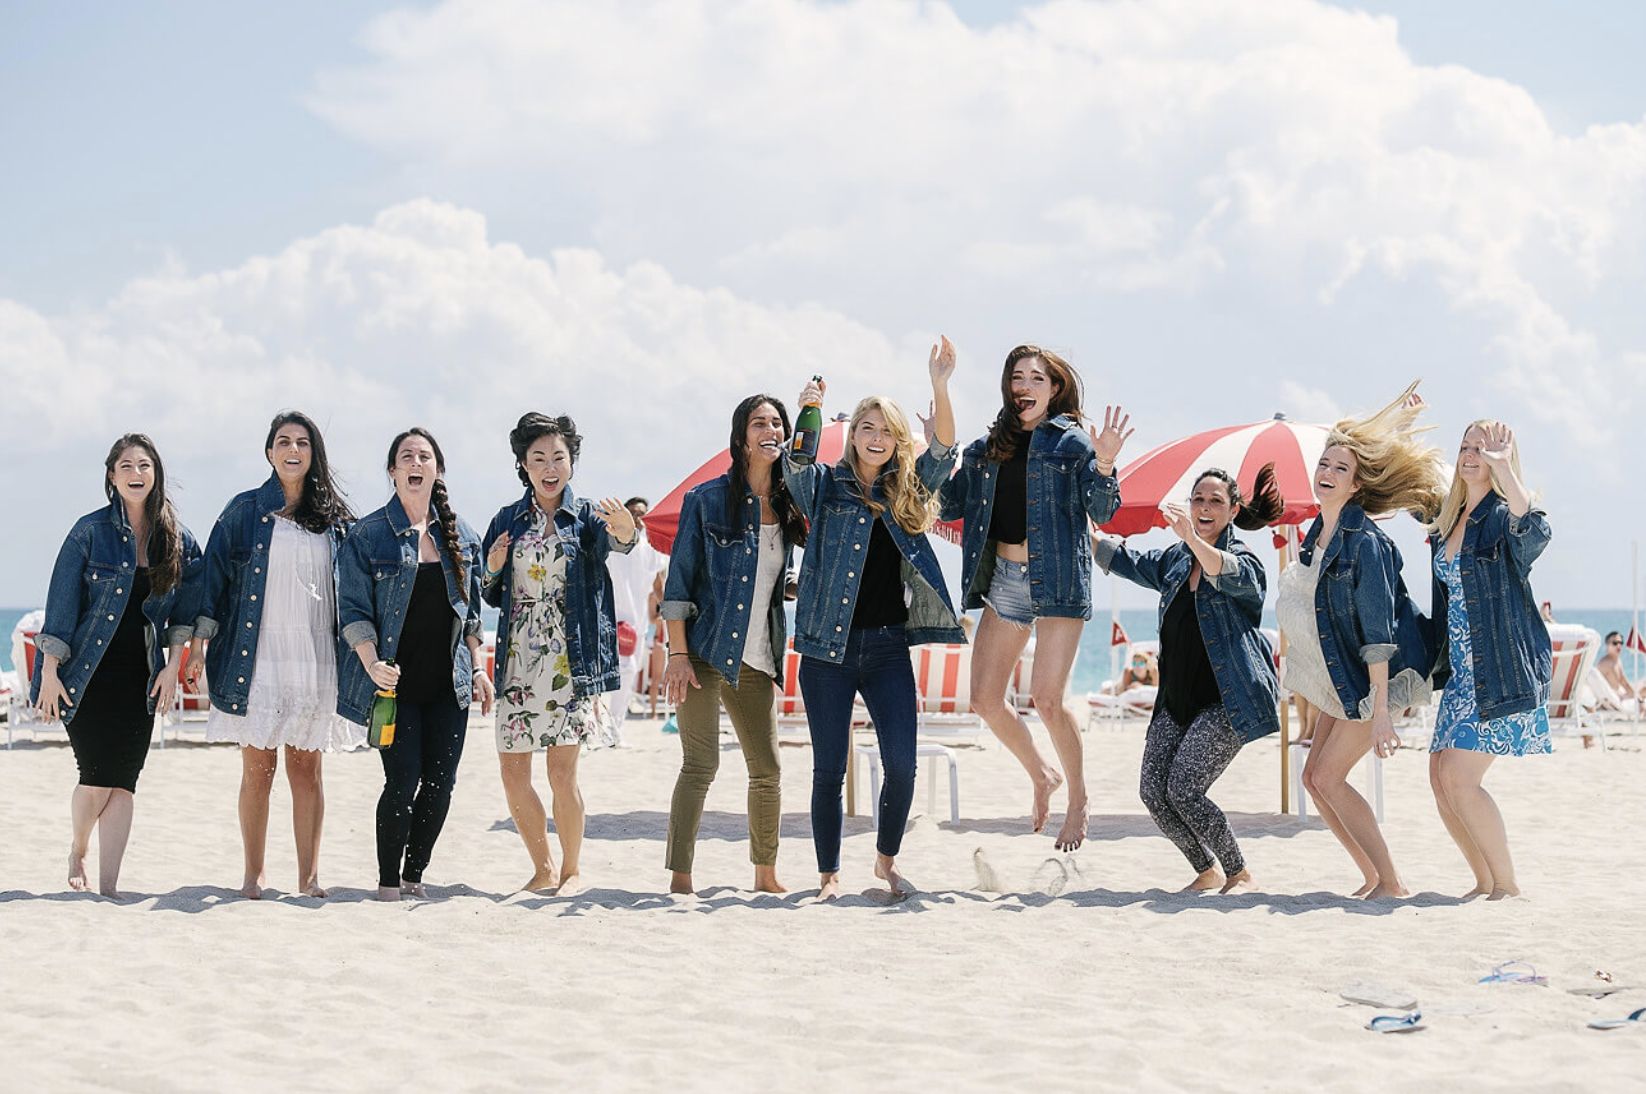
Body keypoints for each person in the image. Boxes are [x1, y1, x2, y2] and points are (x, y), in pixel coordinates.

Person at [784, 340, 961, 900]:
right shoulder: (824, 487)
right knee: (828, 770)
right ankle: (829, 876)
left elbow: (944, 450)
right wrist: (808, 411)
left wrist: (940, 384)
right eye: (867, 427)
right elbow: (796, 464)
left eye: (886, 430)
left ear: (897, 439)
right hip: (825, 651)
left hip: (887, 649)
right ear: (854, 435)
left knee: (902, 766)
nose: (877, 438)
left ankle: (886, 861)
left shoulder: (906, 491)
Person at [938, 343, 1131, 850]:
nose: (1024, 386)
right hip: (1004, 578)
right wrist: (936, 446)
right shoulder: (986, 448)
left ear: (1055, 389)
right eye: (1017, 378)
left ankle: (1079, 798)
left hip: (1059, 580)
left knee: (1047, 699)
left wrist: (1105, 462)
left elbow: (1102, 510)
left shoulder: (1072, 444)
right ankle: (1042, 774)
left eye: (1036, 378)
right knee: (983, 699)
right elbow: (945, 503)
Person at [1281, 383, 1445, 900]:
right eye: (1324, 464)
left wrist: (1379, 713)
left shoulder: (1367, 543)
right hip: (1345, 674)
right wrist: (1397, 428)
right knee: (1313, 778)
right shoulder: (1319, 533)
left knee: (1329, 778)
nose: (1327, 473)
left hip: (1377, 678)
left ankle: (1391, 881)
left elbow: (1378, 637)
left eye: (1341, 469)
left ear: (1356, 486)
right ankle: (1373, 878)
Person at [189, 411, 360, 899]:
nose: (293, 450)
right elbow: (212, 581)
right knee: (257, 770)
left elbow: (357, 590)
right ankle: (254, 874)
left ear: (314, 453)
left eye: (302, 443)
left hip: (314, 655)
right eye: (283, 442)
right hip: (258, 655)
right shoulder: (243, 512)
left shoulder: (336, 519)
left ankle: (308, 876)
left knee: (307, 771)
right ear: (269, 453)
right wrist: (199, 645)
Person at [1096, 465, 1285, 894]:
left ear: (1233, 510)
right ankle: (1206, 869)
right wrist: (1083, 530)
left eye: (1216, 501)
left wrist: (1193, 540)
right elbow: (1127, 560)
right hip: (1176, 699)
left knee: (1184, 787)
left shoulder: (1246, 563)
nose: (1204, 507)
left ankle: (1239, 872)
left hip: (1228, 701)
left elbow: (1224, 569)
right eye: (1198, 499)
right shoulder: (1177, 559)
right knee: (1152, 791)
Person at [32, 434, 203, 896]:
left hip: (140, 677)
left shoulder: (178, 541)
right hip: (86, 675)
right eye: (126, 466)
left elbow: (187, 612)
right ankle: (78, 849)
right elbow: (61, 607)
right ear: (112, 476)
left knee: (124, 782)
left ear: (156, 474)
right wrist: (48, 672)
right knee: (95, 778)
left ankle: (108, 888)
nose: (135, 473)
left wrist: (173, 666)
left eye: (144, 465)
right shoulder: (89, 532)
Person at [482, 413, 637, 896]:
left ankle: (571, 871)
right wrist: (493, 568)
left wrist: (626, 530)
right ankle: (542, 868)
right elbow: (488, 593)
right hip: (516, 659)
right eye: (539, 458)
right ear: (524, 465)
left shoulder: (587, 516)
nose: (549, 468)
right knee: (513, 773)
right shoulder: (506, 520)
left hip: (570, 659)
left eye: (558, 458)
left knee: (561, 772)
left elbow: (617, 542)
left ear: (571, 463)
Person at [337, 428, 491, 902]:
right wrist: (371, 664)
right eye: (406, 456)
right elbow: (353, 611)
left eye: (425, 456)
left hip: (449, 685)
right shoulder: (367, 535)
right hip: (393, 687)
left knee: (441, 785)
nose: (415, 462)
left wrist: (479, 669)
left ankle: (414, 876)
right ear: (393, 471)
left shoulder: (462, 536)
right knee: (402, 780)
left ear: (438, 470)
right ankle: (388, 883)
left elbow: (472, 615)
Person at [661, 394, 806, 894]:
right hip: (703, 650)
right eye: (759, 422)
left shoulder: (789, 504)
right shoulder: (705, 500)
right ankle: (681, 877)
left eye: (777, 423)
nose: (770, 430)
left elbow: (777, 576)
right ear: (741, 437)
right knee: (701, 765)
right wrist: (678, 655)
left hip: (758, 655)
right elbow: (679, 586)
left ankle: (765, 875)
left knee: (767, 770)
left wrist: (797, 587)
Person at [1426, 421, 1552, 900]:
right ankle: (1484, 881)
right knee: (1440, 779)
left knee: (1460, 778)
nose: (1471, 455)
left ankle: (1508, 885)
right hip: (1462, 676)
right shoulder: (1448, 519)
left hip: (1499, 671)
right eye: (1465, 447)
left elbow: (1535, 532)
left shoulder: (1502, 516)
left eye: (1482, 449)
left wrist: (1505, 470)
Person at [604, 495, 667, 741]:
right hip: (613, 619)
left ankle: (614, 728)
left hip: (638, 623)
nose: (638, 518)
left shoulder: (650, 547)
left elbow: (658, 583)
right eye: (633, 513)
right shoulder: (612, 543)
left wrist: (668, 613)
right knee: (623, 670)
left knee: (629, 674)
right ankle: (609, 729)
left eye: (642, 513)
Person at [1595, 632, 1641, 707]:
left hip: (1620, 694)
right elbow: (1598, 688)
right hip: (1614, 700)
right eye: (1615, 643)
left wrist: (1637, 696)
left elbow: (1624, 682)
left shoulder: (1617, 660)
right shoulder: (1604, 663)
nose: (1618, 645)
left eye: (1621, 643)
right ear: (1607, 645)